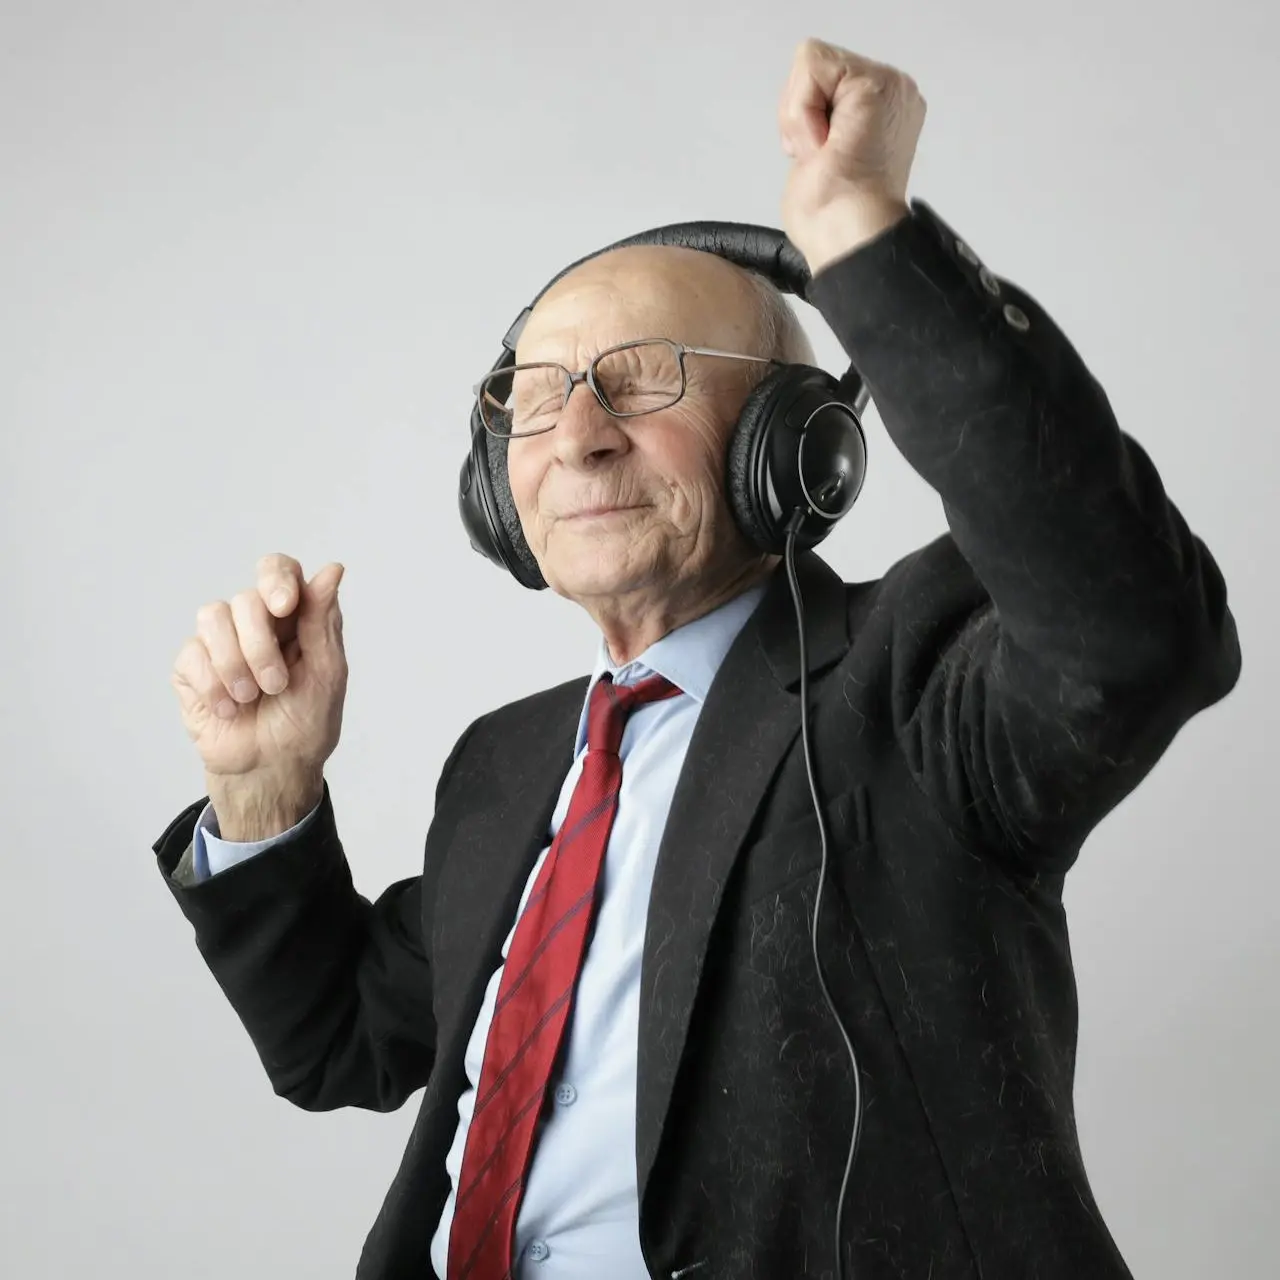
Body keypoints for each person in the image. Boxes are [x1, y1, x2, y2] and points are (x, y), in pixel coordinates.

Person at [153, 37, 1241, 1280]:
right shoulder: (504, 762)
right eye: (537, 392)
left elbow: (1133, 634)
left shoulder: (916, 678)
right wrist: (263, 793)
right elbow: (339, 1041)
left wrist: (866, 235)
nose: (577, 434)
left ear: (793, 447)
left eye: (642, 379)